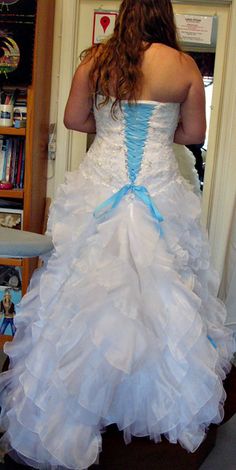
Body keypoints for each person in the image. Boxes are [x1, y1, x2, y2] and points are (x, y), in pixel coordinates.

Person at [0, 1, 235, 469]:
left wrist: (109, 129)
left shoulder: (96, 61)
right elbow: (193, 134)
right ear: (163, 16)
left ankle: (78, 400)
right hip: (158, 185)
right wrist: (156, 132)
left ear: (126, 14)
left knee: (81, 290)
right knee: (160, 292)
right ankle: (144, 401)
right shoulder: (184, 65)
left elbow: (72, 120)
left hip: (100, 184)